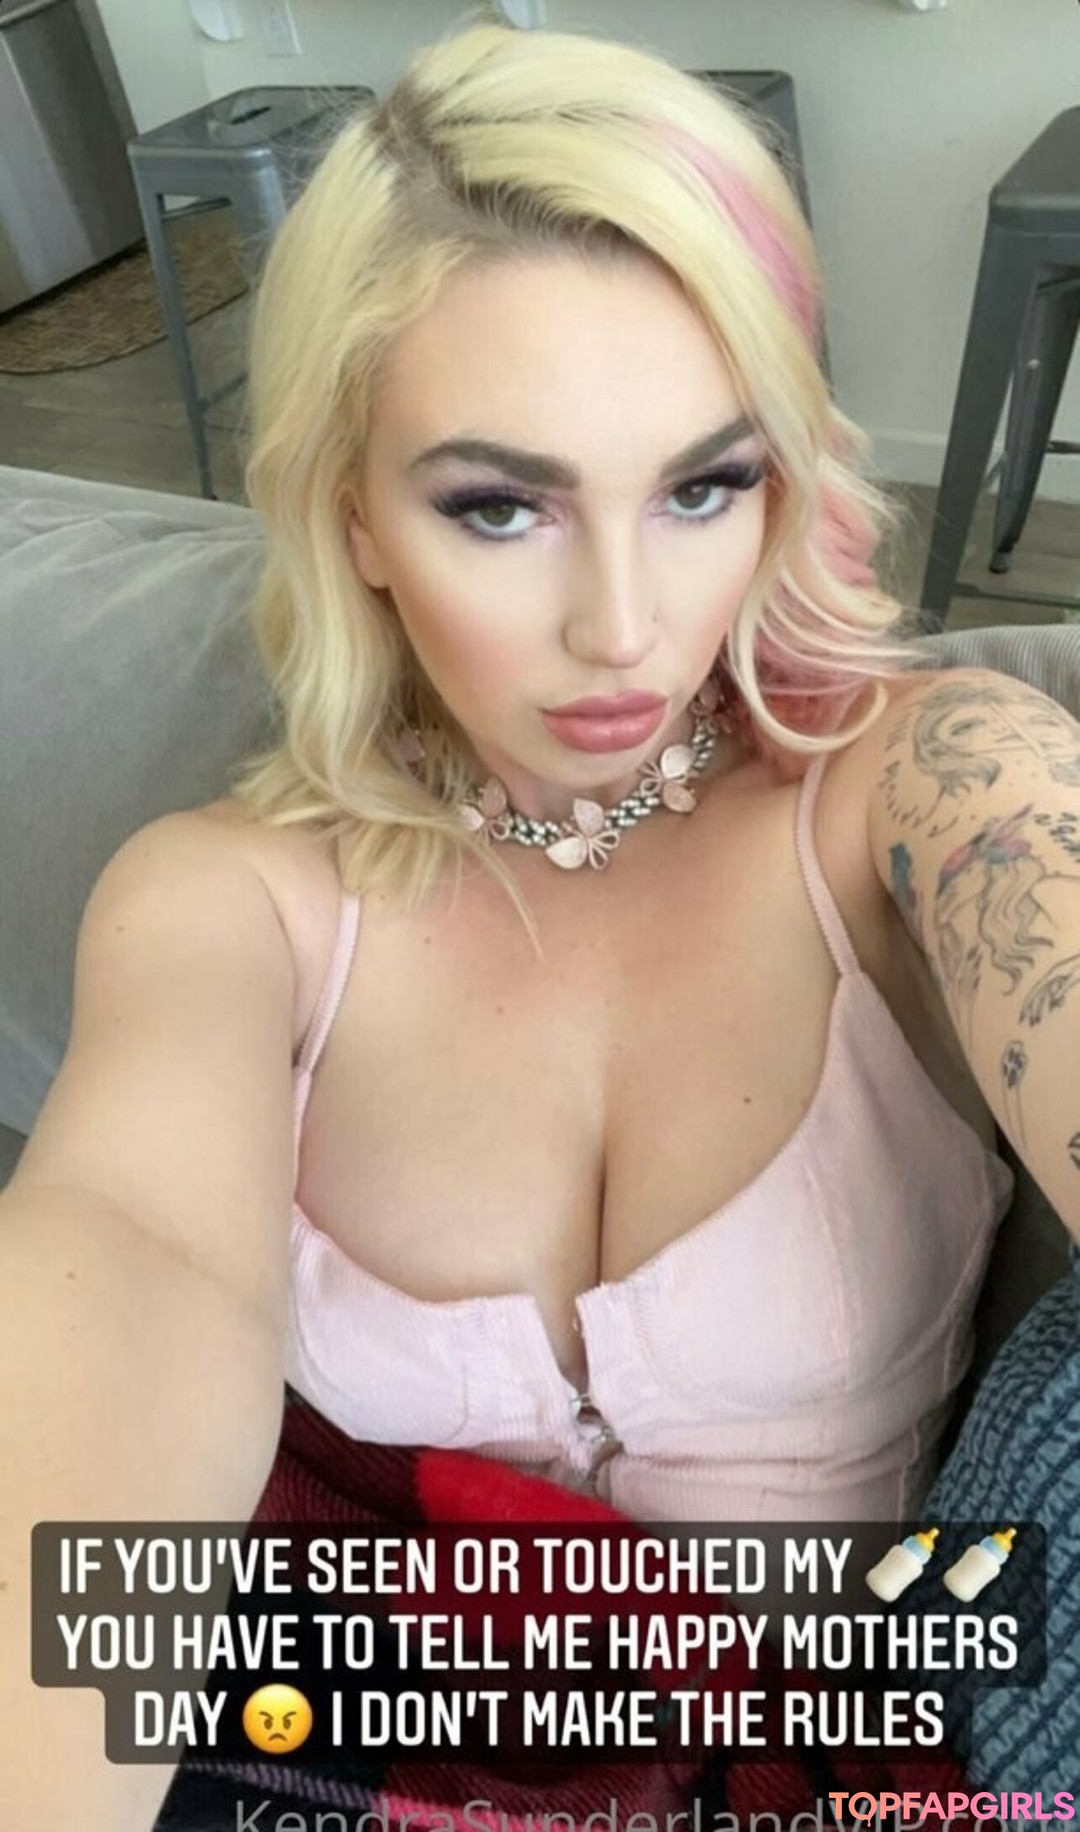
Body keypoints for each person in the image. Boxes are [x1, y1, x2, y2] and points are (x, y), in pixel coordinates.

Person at [2, 20, 1077, 1830]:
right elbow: (114, 1300)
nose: (625, 627)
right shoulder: (228, 901)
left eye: (702, 486)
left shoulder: (922, 783)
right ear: (352, 512)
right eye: (499, 507)